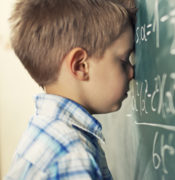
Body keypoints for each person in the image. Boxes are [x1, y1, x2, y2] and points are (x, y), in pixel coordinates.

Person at [5, 0, 136, 179]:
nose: (132, 72)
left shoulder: (45, 132)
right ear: (80, 66)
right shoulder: (72, 156)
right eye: (123, 60)